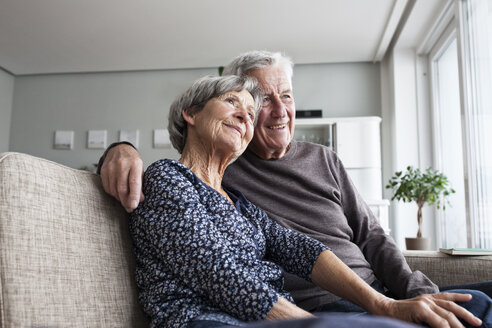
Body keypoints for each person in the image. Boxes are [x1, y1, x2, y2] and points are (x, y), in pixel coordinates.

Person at [98, 51, 492, 324]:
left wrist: (394, 299)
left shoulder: (247, 195)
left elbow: (332, 243)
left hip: (369, 295)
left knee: (481, 303)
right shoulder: (196, 177)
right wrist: (118, 148)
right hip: (301, 309)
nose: (266, 112)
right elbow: (223, 275)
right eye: (253, 100)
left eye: (283, 96)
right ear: (193, 113)